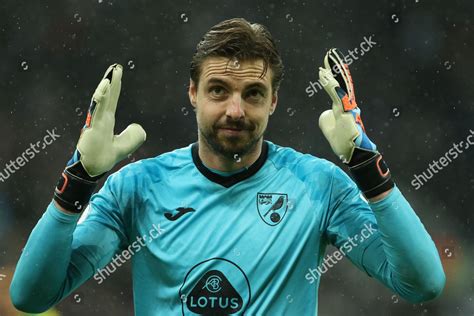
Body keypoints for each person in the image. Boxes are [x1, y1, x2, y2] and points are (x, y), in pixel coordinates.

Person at [10, 18, 445, 315]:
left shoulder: (318, 186)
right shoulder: (138, 187)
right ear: (193, 94)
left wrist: (367, 167)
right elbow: (30, 296)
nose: (235, 110)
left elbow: (422, 283)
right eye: (219, 90)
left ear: (273, 101)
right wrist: (78, 181)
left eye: (253, 93)